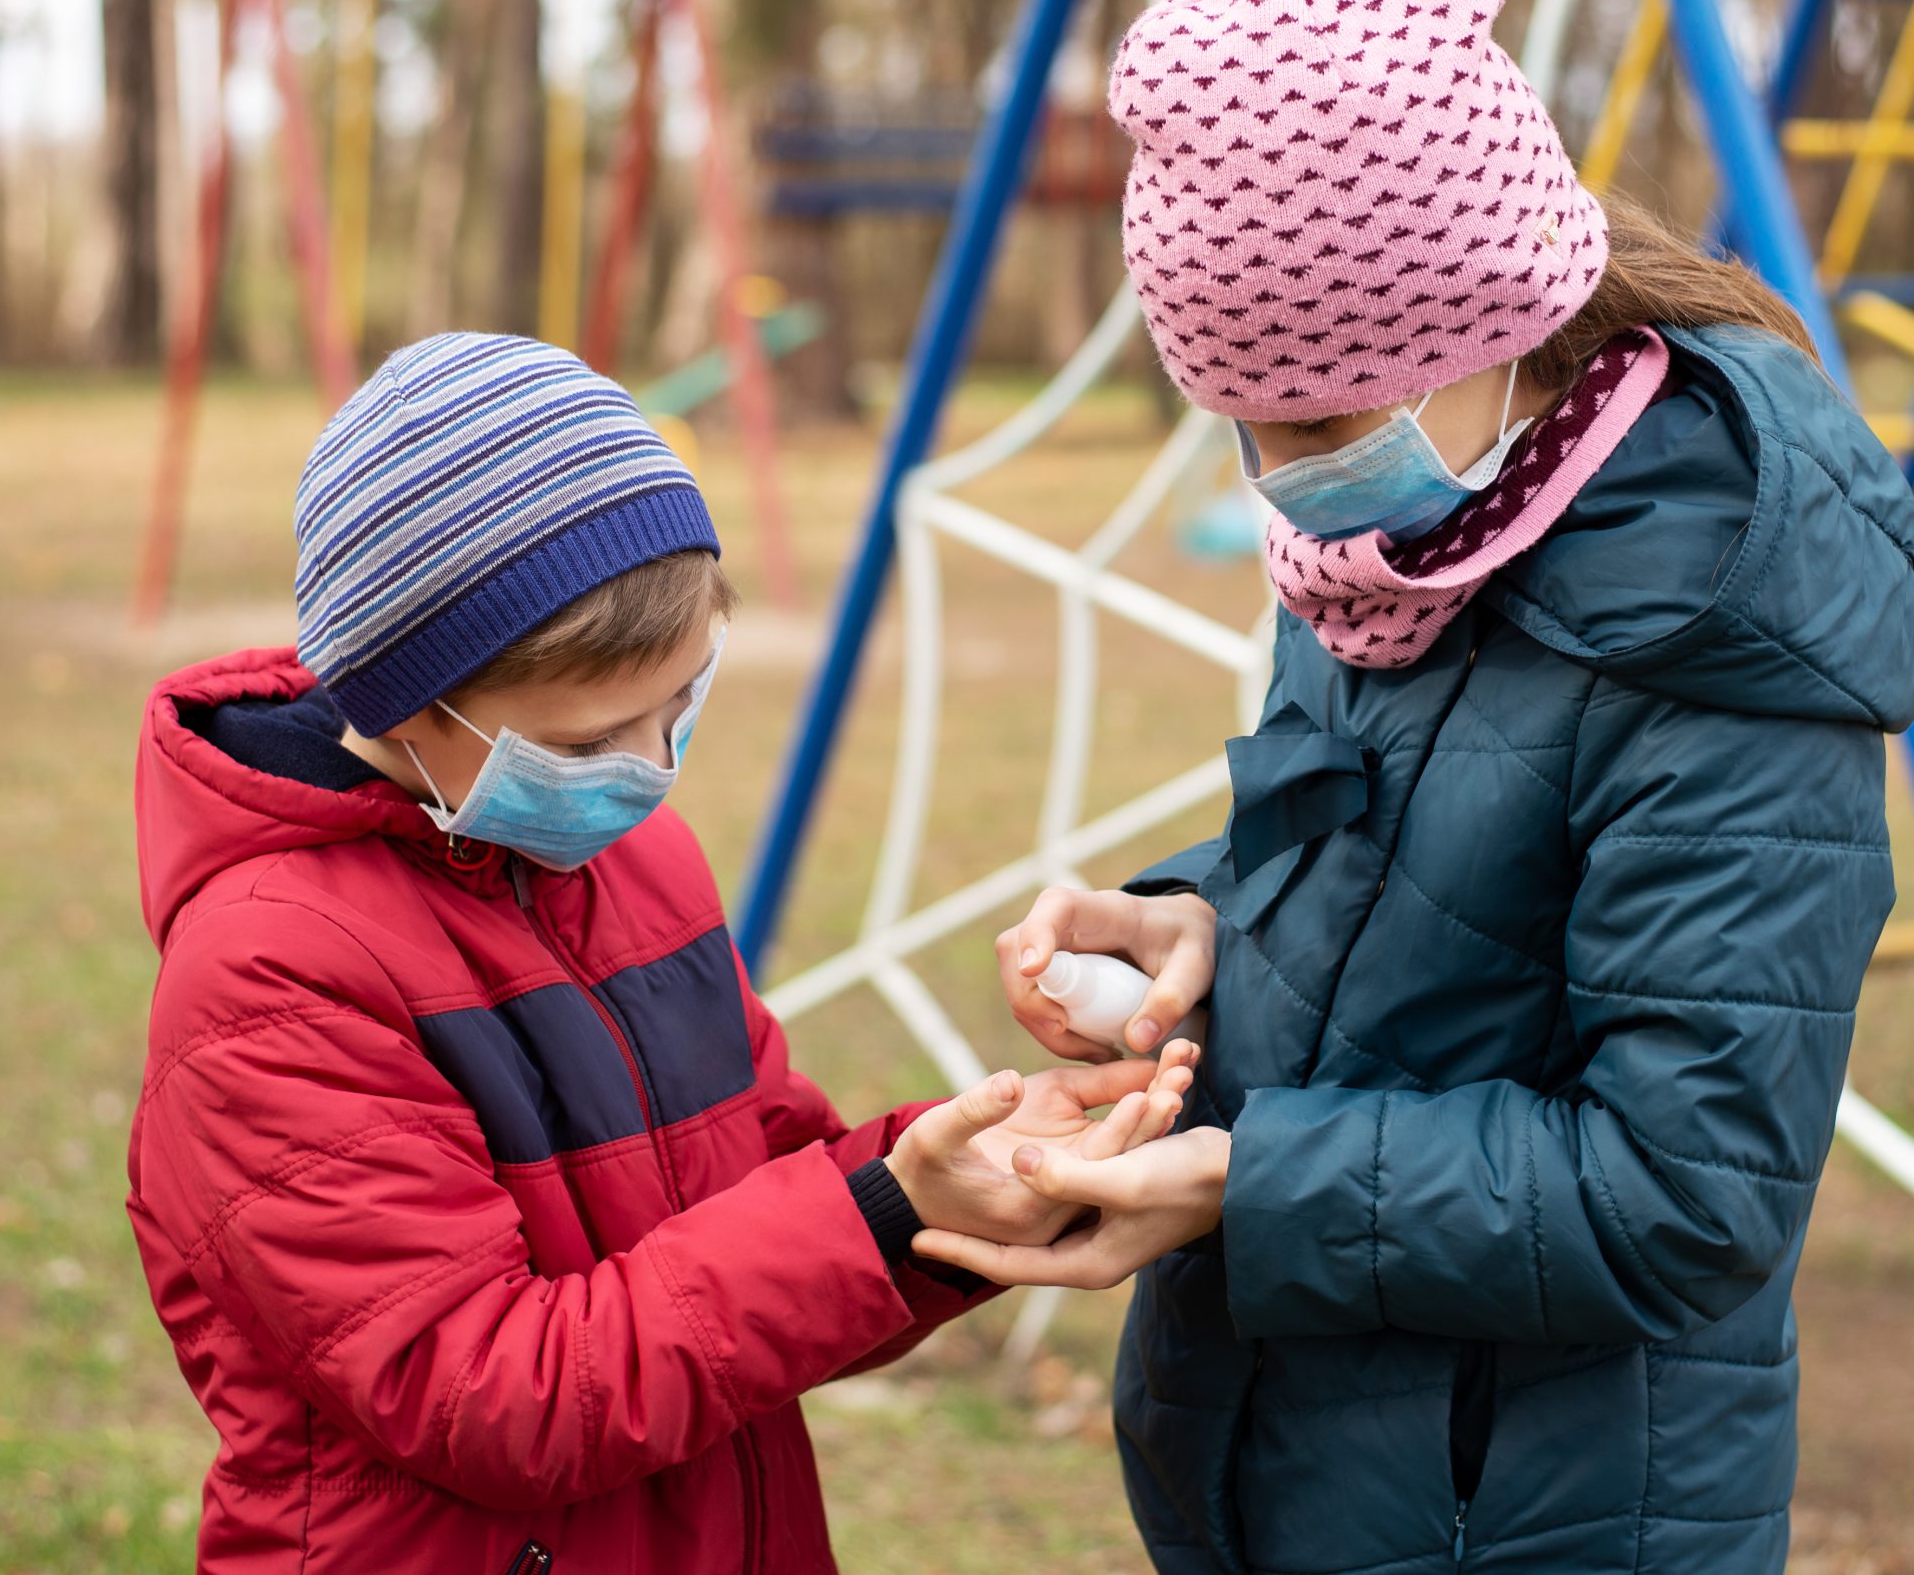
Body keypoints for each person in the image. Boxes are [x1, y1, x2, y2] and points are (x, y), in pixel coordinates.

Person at [917, 0, 1914, 1574]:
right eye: (1243, 421)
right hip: (1304, 1469)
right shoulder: (1398, 544)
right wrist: (1198, 924)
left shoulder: (1726, 640)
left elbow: (1687, 1191)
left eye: (1321, 423)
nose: (1283, 471)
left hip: (1544, 1512)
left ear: (1500, 314)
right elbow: (1389, 875)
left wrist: (1248, 1189)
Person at [126, 332, 1196, 1574]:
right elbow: (486, 1397)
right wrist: (875, 1215)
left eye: (679, 708)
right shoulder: (268, 981)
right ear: (409, 707)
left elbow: (770, 1191)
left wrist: (949, 1186)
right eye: (587, 743)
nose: (645, 772)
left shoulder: (636, 865)